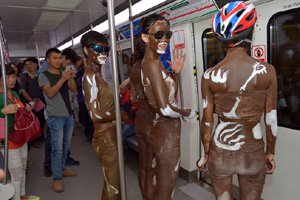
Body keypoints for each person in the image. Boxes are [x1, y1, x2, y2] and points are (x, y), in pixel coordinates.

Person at [197, 2, 277, 199]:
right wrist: (270, 153)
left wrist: (205, 155)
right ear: (250, 34)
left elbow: (207, 123)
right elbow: (271, 120)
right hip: (253, 153)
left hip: (220, 153)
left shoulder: (209, 75)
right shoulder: (267, 72)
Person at [140, 14, 195, 199]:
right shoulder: (153, 65)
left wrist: (176, 75)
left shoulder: (154, 64)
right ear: (145, 37)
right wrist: (186, 112)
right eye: (158, 35)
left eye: (167, 35)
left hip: (164, 131)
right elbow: (165, 109)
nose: (164, 40)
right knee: (167, 185)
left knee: (162, 182)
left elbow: (169, 97)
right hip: (164, 134)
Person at [80, 30, 129, 200]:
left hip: (112, 133)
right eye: (97, 48)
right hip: (105, 136)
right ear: (86, 51)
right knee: (113, 187)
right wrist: (119, 114)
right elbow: (94, 115)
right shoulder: (90, 76)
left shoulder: (99, 75)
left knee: (114, 183)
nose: (103, 53)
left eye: (106, 49)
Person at [38, 48, 77, 193]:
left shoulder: (64, 73)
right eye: (54, 58)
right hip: (55, 117)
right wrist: (62, 79)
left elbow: (74, 90)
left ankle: (61, 169)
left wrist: (71, 78)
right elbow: (50, 93)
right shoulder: (44, 75)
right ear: (48, 60)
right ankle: (57, 178)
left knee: (65, 147)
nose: (58, 60)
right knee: (57, 149)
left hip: (68, 114)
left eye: (60, 58)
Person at [0, 64, 39, 200]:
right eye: (7, 77)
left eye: (13, 76)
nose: (11, 80)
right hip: (7, 139)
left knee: (22, 168)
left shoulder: (15, 93)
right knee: (16, 173)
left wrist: (27, 109)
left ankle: (22, 195)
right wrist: (2, 112)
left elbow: (19, 113)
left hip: (21, 136)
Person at [129, 32, 156, 199]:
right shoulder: (151, 66)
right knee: (154, 167)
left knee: (144, 165)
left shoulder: (134, 68)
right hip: (153, 120)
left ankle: (145, 196)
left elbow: (133, 98)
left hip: (140, 118)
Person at [75, 56, 94, 141]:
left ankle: (93, 135)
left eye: (76, 63)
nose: (75, 65)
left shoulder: (88, 71)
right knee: (84, 118)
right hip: (81, 98)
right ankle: (87, 134)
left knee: (91, 118)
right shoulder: (78, 72)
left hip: (90, 98)